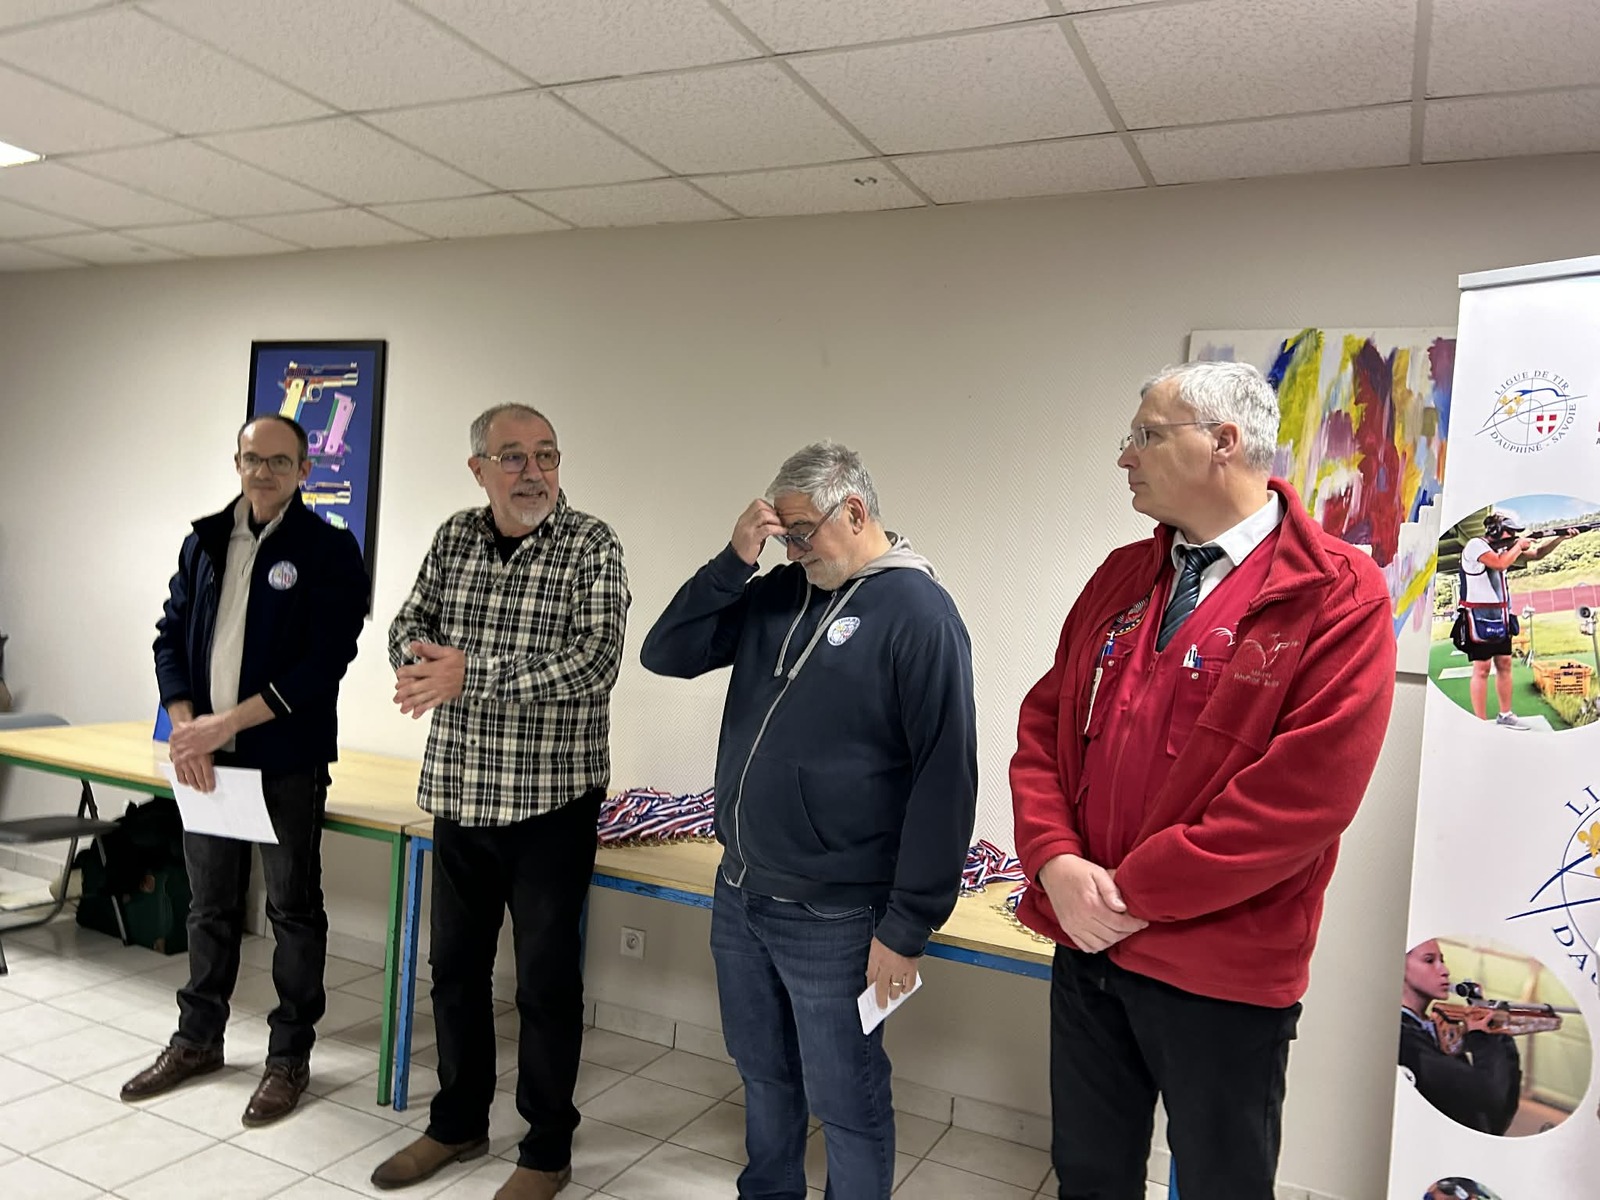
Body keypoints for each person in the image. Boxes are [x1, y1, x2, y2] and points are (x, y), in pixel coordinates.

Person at [1010, 361, 1397, 1200]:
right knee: (1088, 1175)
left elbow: (1302, 800)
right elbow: (1044, 729)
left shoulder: (1336, 593)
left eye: (1146, 436)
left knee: (1223, 1183)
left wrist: (1130, 894)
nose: (1126, 457)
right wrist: (1054, 860)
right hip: (1089, 946)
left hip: (1219, 967)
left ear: (1224, 442)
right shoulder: (1121, 577)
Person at [640, 441, 977, 1200]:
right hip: (742, 889)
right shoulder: (780, 591)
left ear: (853, 511)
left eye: (800, 534)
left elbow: (945, 780)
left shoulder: (920, 614)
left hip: (837, 913)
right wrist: (735, 560)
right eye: (781, 537)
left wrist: (908, 926)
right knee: (762, 1071)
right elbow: (666, 652)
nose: (791, 551)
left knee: (846, 1098)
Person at [369, 404, 629, 1200]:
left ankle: (547, 1150)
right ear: (478, 469)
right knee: (454, 971)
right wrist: (421, 662)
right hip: (461, 792)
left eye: (546, 455)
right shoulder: (454, 536)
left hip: (551, 804)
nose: (533, 472)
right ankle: (457, 1123)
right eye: (512, 457)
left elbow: (595, 662)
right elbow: (408, 622)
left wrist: (468, 674)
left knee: (544, 985)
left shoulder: (591, 543)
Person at [123, 414, 369, 1126]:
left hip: (284, 761)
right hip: (205, 758)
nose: (264, 472)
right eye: (253, 459)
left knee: (291, 910)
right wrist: (187, 725)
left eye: (279, 462)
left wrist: (224, 725)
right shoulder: (204, 540)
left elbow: (325, 662)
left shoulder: (328, 549)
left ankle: (288, 1057)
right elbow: (170, 636)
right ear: (237, 462)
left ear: (304, 471)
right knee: (209, 906)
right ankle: (198, 1040)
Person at [1455, 509, 1575, 729]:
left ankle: (1505, 714)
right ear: (1495, 530)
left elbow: (1537, 554)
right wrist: (1518, 546)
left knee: (1505, 664)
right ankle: (1479, 722)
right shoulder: (1475, 545)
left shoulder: (1504, 549)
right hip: (1478, 617)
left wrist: (1560, 538)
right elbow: (1499, 564)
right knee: (1482, 668)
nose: (1513, 535)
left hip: (1501, 617)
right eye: (1509, 531)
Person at [1399, 939, 1520, 1136]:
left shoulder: (1433, 1030)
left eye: (1442, 960)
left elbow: (1494, 1118)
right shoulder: (1406, 1039)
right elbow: (1489, 1096)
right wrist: (1482, 1038)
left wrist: (1500, 1037)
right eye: (1429, 961)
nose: (1445, 970)